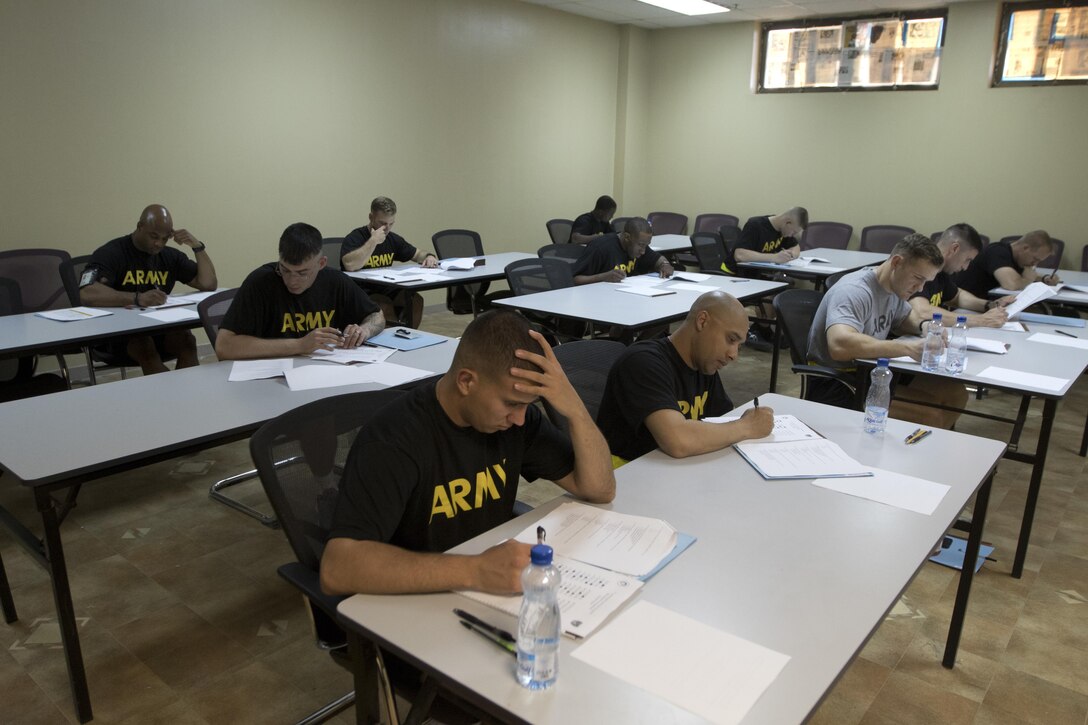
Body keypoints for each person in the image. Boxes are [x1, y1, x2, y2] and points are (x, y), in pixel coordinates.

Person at [321, 309, 616, 596]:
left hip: (483, 590)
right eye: (512, 403)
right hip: (415, 599)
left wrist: (575, 409)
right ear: (466, 381)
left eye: (529, 405)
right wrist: (476, 571)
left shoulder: (515, 424)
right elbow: (337, 570)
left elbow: (599, 488)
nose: (520, 418)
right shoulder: (394, 439)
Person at [806, 233, 966, 429]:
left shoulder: (893, 289)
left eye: (926, 282)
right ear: (897, 262)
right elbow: (839, 344)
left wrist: (925, 327)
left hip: (871, 373)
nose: (920, 288)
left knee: (955, 393)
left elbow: (906, 318)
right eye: (917, 278)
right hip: (840, 383)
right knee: (931, 416)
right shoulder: (854, 290)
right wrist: (907, 349)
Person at [596, 291, 773, 466]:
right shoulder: (642, 362)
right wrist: (747, 426)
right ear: (702, 321)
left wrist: (740, 425)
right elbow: (678, 440)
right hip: (626, 475)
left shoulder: (704, 364)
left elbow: (721, 419)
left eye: (739, 346)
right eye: (730, 339)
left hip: (674, 470)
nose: (733, 355)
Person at [80, 204, 218, 375]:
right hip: (118, 334)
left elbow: (208, 283)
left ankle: (186, 394)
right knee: (145, 346)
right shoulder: (111, 252)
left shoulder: (169, 256)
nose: (158, 243)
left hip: (158, 328)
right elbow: (87, 292)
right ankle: (168, 397)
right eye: (154, 236)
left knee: (186, 340)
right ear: (140, 227)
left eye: (165, 238)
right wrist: (137, 298)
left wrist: (197, 246)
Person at [216, 222, 384, 360]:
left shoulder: (335, 281)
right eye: (285, 270)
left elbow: (377, 315)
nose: (292, 280)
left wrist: (364, 330)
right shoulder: (260, 283)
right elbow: (224, 346)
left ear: (321, 263)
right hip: (271, 377)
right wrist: (300, 345)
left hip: (324, 373)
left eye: (302, 273)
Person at [340, 196, 437, 328]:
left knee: (415, 300)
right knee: (383, 304)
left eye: (391, 224)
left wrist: (429, 256)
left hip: (386, 286)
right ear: (371, 217)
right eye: (382, 223)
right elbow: (350, 265)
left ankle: (409, 336)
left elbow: (417, 253)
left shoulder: (392, 239)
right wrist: (373, 241)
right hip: (361, 290)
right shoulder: (355, 238)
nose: (386, 228)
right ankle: (390, 341)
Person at [726, 207, 808, 351]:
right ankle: (761, 329)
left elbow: (796, 247)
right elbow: (739, 255)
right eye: (793, 231)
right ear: (787, 222)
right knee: (770, 291)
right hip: (735, 275)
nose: (792, 235)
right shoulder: (756, 225)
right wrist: (774, 258)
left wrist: (790, 254)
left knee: (781, 289)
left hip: (757, 275)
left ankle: (762, 328)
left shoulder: (783, 230)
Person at [909, 224, 1012, 328]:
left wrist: (990, 305)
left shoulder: (942, 271)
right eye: (968, 260)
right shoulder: (921, 267)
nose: (965, 267)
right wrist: (981, 320)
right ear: (954, 248)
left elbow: (957, 296)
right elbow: (922, 312)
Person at [952, 230, 1060, 299]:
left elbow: (1024, 274)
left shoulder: (1018, 259)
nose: (1035, 264)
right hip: (963, 304)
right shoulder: (998, 252)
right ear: (1025, 248)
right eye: (1035, 259)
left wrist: (1045, 278)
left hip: (985, 303)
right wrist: (1028, 280)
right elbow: (1011, 284)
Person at [571, 216, 674, 285]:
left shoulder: (641, 246)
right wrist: (603, 277)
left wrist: (665, 265)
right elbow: (575, 280)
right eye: (641, 245)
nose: (643, 251)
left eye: (646, 246)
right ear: (627, 237)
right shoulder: (601, 247)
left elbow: (659, 259)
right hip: (599, 301)